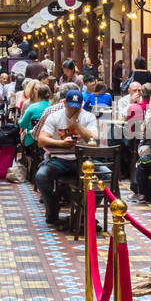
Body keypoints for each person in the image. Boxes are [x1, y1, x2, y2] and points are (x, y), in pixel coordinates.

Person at [36, 89, 99, 226]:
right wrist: (61, 143)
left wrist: (76, 122)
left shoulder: (88, 117)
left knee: (106, 176)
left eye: (77, 106)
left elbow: (93, 138)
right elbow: (41, 140)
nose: (73, 109)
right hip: (59, 161)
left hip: (83, 161)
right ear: (64, 103)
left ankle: (82, 215)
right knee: (41, 176)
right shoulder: (54, 117)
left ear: (81, 105)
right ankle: (53, 212)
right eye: (70, 106)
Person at [19, 83, 52, 148]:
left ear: (37, 95)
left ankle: (28, 157)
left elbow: (23, 125)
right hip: (49, 140)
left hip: (32, 141)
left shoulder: (32, 107)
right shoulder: (54, 106)